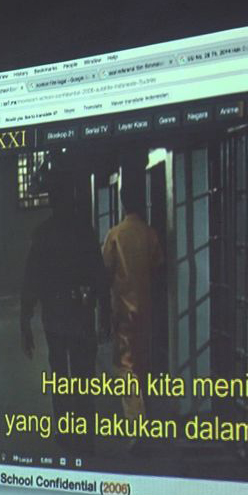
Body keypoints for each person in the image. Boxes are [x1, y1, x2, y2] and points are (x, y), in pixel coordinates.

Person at [20, 159, 106, 457]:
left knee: (60, 374)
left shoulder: (43, 234)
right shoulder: (84, 230)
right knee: (83, 376)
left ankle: (66, 431)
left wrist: (25, 322)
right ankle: (85, 435)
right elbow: (99, 274)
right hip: (81, 313)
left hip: (55, 316)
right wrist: (105, 312)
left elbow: (31, 279)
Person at [102, 167, 163, 421]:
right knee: (143, 361)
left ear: (123, 202)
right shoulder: (150, 233)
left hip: (123, 310)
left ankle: (136, 420)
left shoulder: (115, 235)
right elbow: (158, 267)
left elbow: (105, 272)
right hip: (147, 308)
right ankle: (147, 411)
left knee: (125, 365)